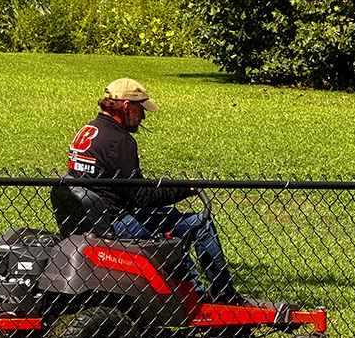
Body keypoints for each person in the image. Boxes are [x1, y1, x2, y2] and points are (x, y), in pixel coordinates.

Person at [53, 77, 241, 304]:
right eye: (140, 108)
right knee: (200, 224)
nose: (143, 116)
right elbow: (140, 197)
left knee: (171, 222)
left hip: (92, 219)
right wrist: (184, 189)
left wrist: (166, 186)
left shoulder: (89, 131)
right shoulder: (120, 140)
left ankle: (194, 292)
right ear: (126, 107)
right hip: (118, 223)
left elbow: (126, 185)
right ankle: (225, 295)